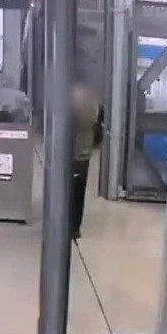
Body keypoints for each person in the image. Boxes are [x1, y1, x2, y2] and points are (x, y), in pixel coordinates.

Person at [71, 78, 101, 241]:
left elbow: (88, 120)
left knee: (76, 189)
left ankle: (73, 226)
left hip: (78, 150)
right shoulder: (89, 98)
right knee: (77, 189)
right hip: (80, 150)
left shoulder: (85, 100)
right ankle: (73, 225)